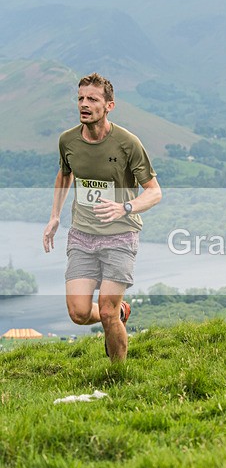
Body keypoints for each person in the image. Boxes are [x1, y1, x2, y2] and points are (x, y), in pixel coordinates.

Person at [42, 73, 162, 362]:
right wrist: (55, 216)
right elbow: (65, 174)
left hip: (120, 235)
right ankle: (121, 312)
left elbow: (154, 192)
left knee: (107, 311)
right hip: (82, 235)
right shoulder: (68, 140)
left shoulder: (127, 143)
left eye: (92, 99)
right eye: (80, 98)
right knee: (79, 313)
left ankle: (117, 374)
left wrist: (126, 207)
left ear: (109, 106)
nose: (84, 104)